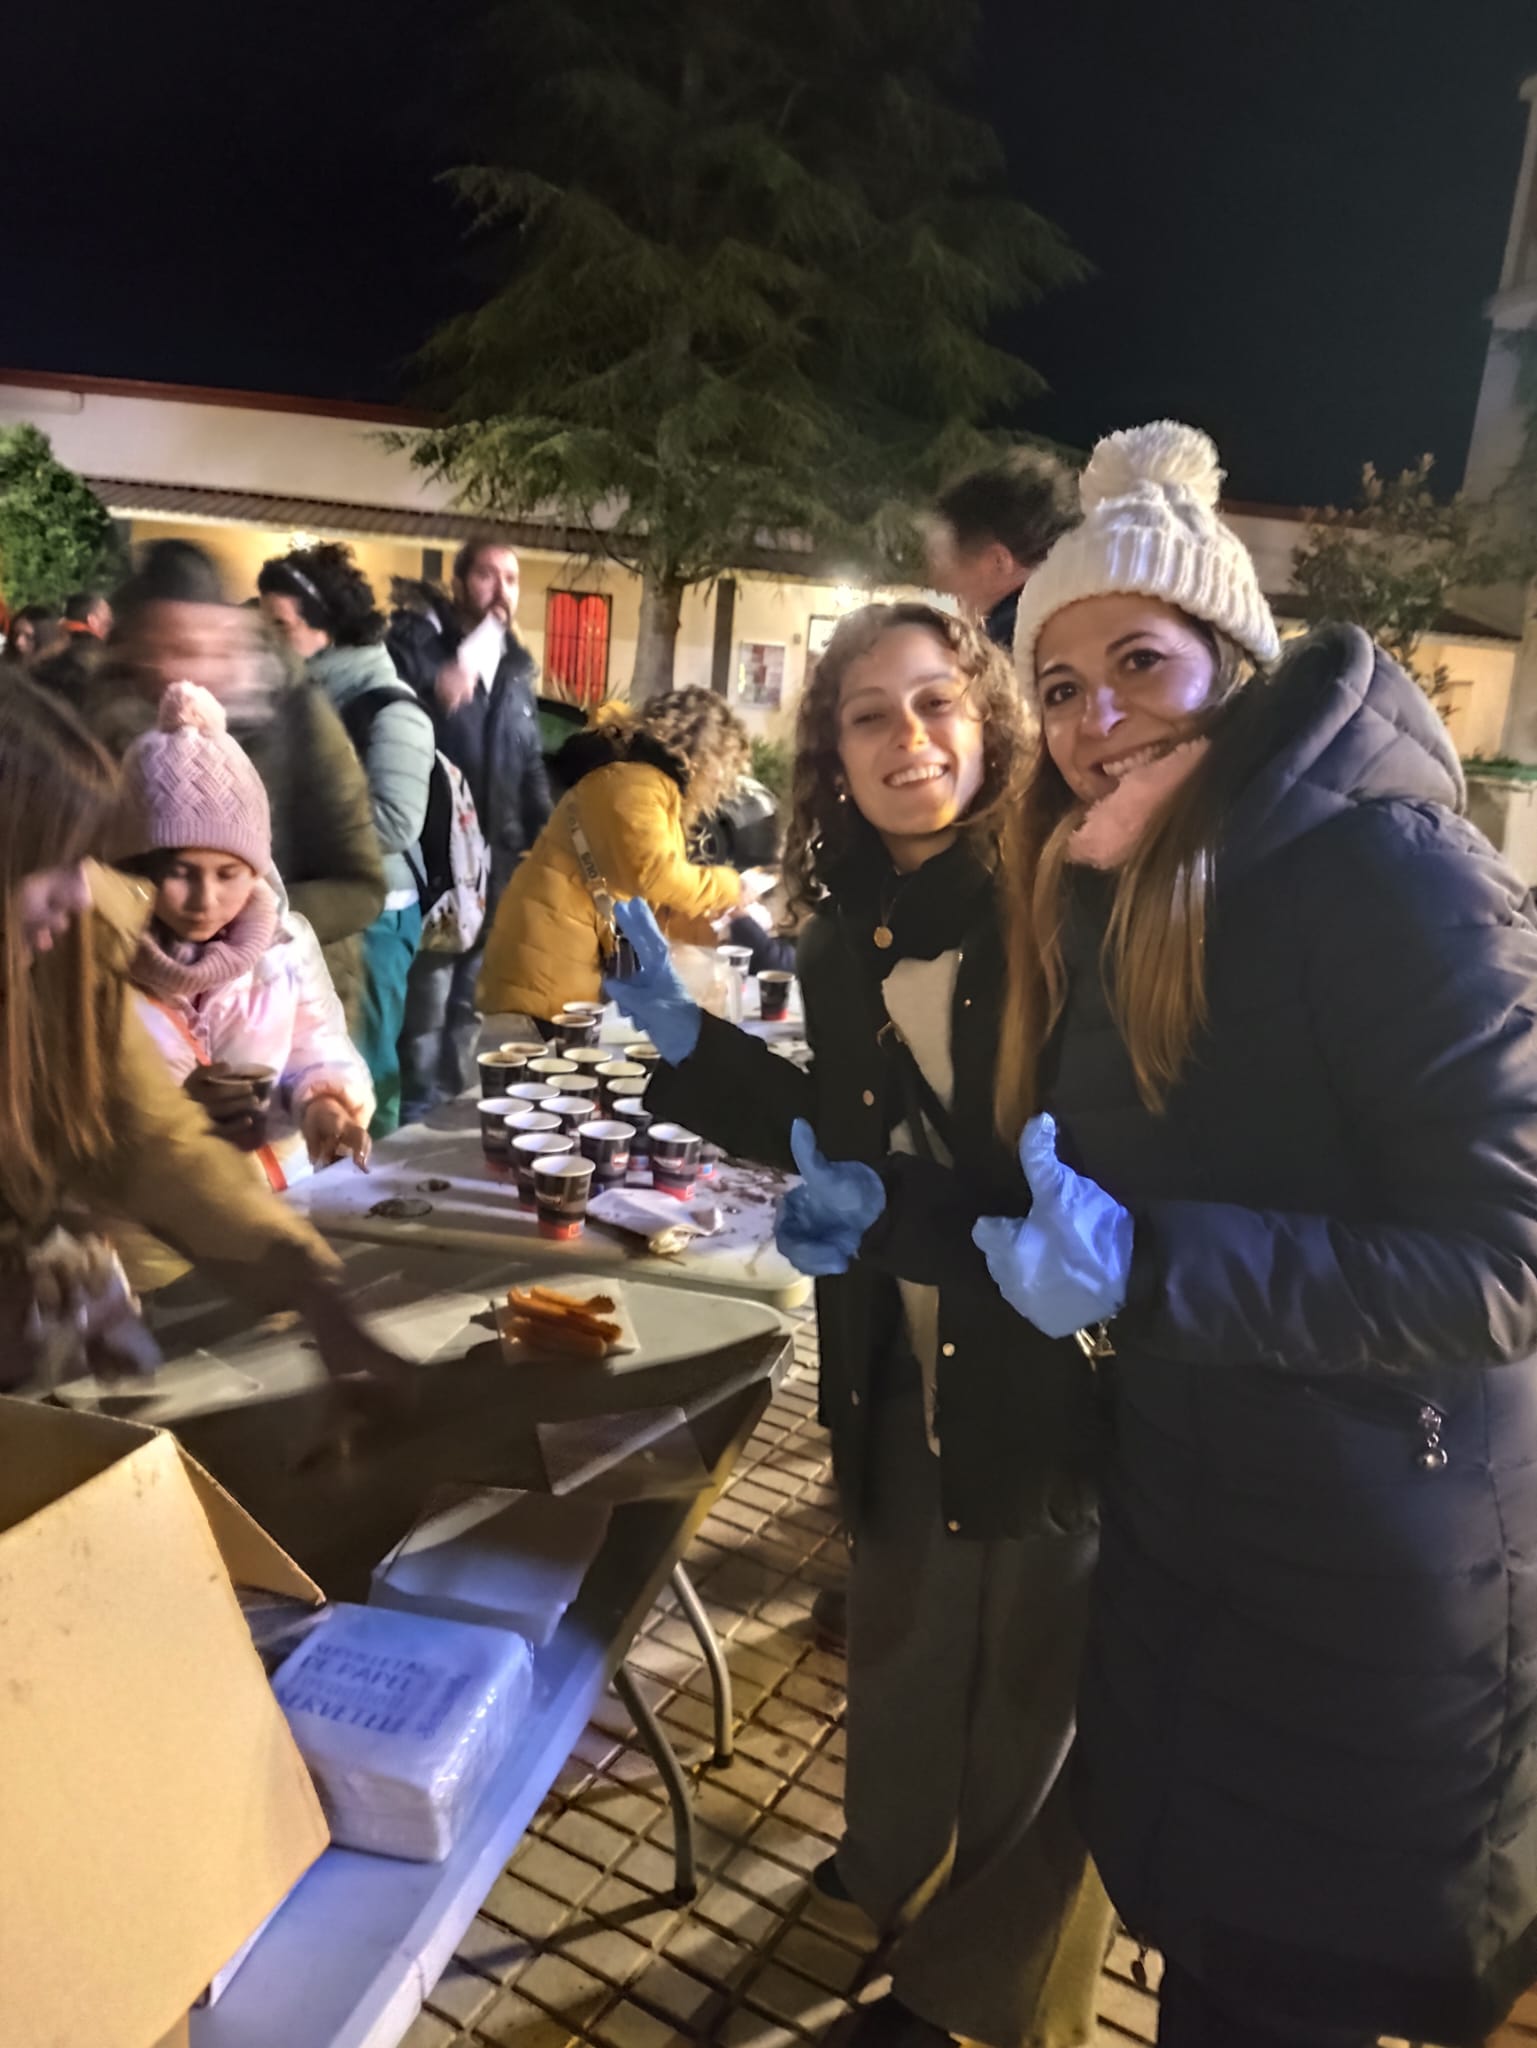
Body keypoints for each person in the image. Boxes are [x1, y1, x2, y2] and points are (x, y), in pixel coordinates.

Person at [967, 420, 1537, 2048]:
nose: (1090, 723)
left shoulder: (1387, 872)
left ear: (1233, 659)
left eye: (1135, 663)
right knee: (1220, 1972)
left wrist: (1151, 1269)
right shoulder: (1131, 882)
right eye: (1059, 687)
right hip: (1211, 1544)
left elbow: (1506, 1254)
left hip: (1370, 1585)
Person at [610, 609, 1113, 2048]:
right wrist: (692, 1050)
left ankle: (986, 2002)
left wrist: (886, 1206)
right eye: (871, 716)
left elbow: (1052, 1185)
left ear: (993, 720)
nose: (911, 741)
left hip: (1040, 1364)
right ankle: (892, 1882)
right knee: (899, 1629)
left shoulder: (1055, 909)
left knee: (1033, 1683)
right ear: (827, 750)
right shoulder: (842, 938)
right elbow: (830, 1138)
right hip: (890, 1348)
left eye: (938, 704)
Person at [0, 679, 403, 1392]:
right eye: (49, 867)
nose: (77, 893)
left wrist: (307, 1282)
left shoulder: (61, 953)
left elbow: (149, 1137)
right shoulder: (95, 946)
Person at [84, 540, 385, 1019]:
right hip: (137, 1009)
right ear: (135, 651)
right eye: (170, 649)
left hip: (283, 1012)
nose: (190, 669)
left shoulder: (294, 715)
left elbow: (361, 886)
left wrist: (239, 916)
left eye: (207, 647)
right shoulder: (95, 729)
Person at [114, 680, 373, 1215]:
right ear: (134, 866)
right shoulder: (98, 963)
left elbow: (315, 1048)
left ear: (257, 870)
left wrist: (323, 1104)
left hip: (285, 1201)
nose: (205, 900)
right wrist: (176, 1115)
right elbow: (70, 1118)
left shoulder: (284, 947)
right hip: (160, 1228)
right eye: (179, 873)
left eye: (229, 873)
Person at [258, 544, 434, 1136]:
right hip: (310, 904)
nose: (268, 639)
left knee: (365, 1067)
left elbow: (394, 821)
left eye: (279, 625)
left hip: (378, 913)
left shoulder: (388, 708)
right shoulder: (289, 701)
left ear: (325, 626)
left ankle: (371, 1199)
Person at [477, 690, 753, 1030]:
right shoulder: (636, 784)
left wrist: (709, 924)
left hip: (562, 948)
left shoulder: (643, 782)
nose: (720, 784)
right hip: (549, 956)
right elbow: (654, 874)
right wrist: (730, 887)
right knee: (545, 1069)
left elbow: (647, 895)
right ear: (705, 757)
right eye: (723, 769)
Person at [390, 538, 552, 1112]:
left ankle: (452, 1106)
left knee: (470, 1003)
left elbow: (528, 759)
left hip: (497, 865)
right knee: (428, 1000)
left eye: (511, 578)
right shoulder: (418, 647)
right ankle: (411, 1112)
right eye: (487, 575)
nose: (501, 590)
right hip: (436, 859)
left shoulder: (512, 666)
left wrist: (548, 838)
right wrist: (439, 688)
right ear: (460, 582)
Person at [926, 450, 1079, 651]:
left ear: (998, 563)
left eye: (939, 564)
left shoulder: (1010, 655)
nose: (931, 585)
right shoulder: (1084, 625)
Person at [2, 603, 67, 667]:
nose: (18, 642)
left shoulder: (61, 671)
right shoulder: (5, 664)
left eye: (29, 637)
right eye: (15, 634)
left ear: (45, 637)